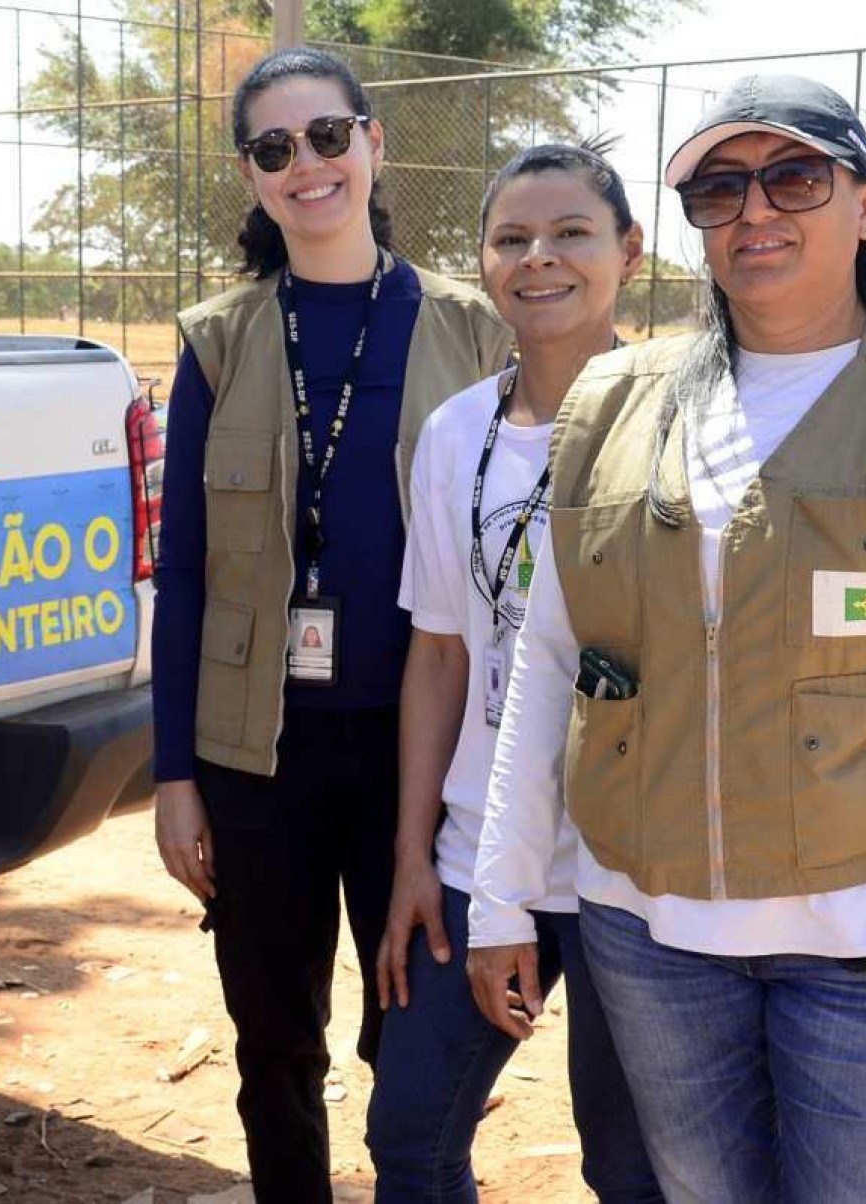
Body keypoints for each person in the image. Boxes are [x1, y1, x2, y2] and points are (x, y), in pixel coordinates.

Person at [468, 74, 866, 1203]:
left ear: (863, 204)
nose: (757, 212)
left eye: (795, 177)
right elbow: (555, 663)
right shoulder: (611, 400)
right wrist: (502, 898)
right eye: (720, 188)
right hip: (654, 939)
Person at [150, 47, 512, 1204]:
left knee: (411, 1039)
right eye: (273, 148)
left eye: (327, 136)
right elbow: (188, 569)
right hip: (256, 753)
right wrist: (173, 777)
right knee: (274, 1044)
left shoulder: (471, 331)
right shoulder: (217, 340)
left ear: (373, 144)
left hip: (424, 751)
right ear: (251, 175)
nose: (306, 165)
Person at [363, 141, 662, 1203]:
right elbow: (440, 651)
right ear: (485, 262)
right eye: (512, 238)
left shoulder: (684, 424)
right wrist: (413, 855)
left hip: (637, 871)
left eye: (573, 232)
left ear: (630, 250)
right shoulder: (455, 434)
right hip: (480, 854)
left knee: (629, 1166)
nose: (541, 258)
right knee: (409, 1135)